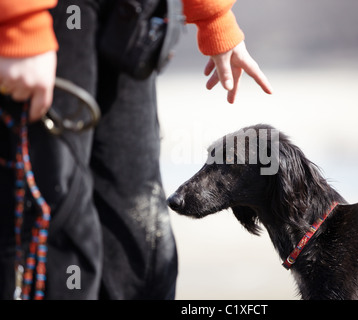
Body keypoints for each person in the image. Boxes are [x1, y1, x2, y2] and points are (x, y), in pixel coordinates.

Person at [0, 0, 272, 299]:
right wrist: (20, 21)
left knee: (140, 238)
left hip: (132, 19)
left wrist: (214, 15)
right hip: (55, 17)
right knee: (58, 226)